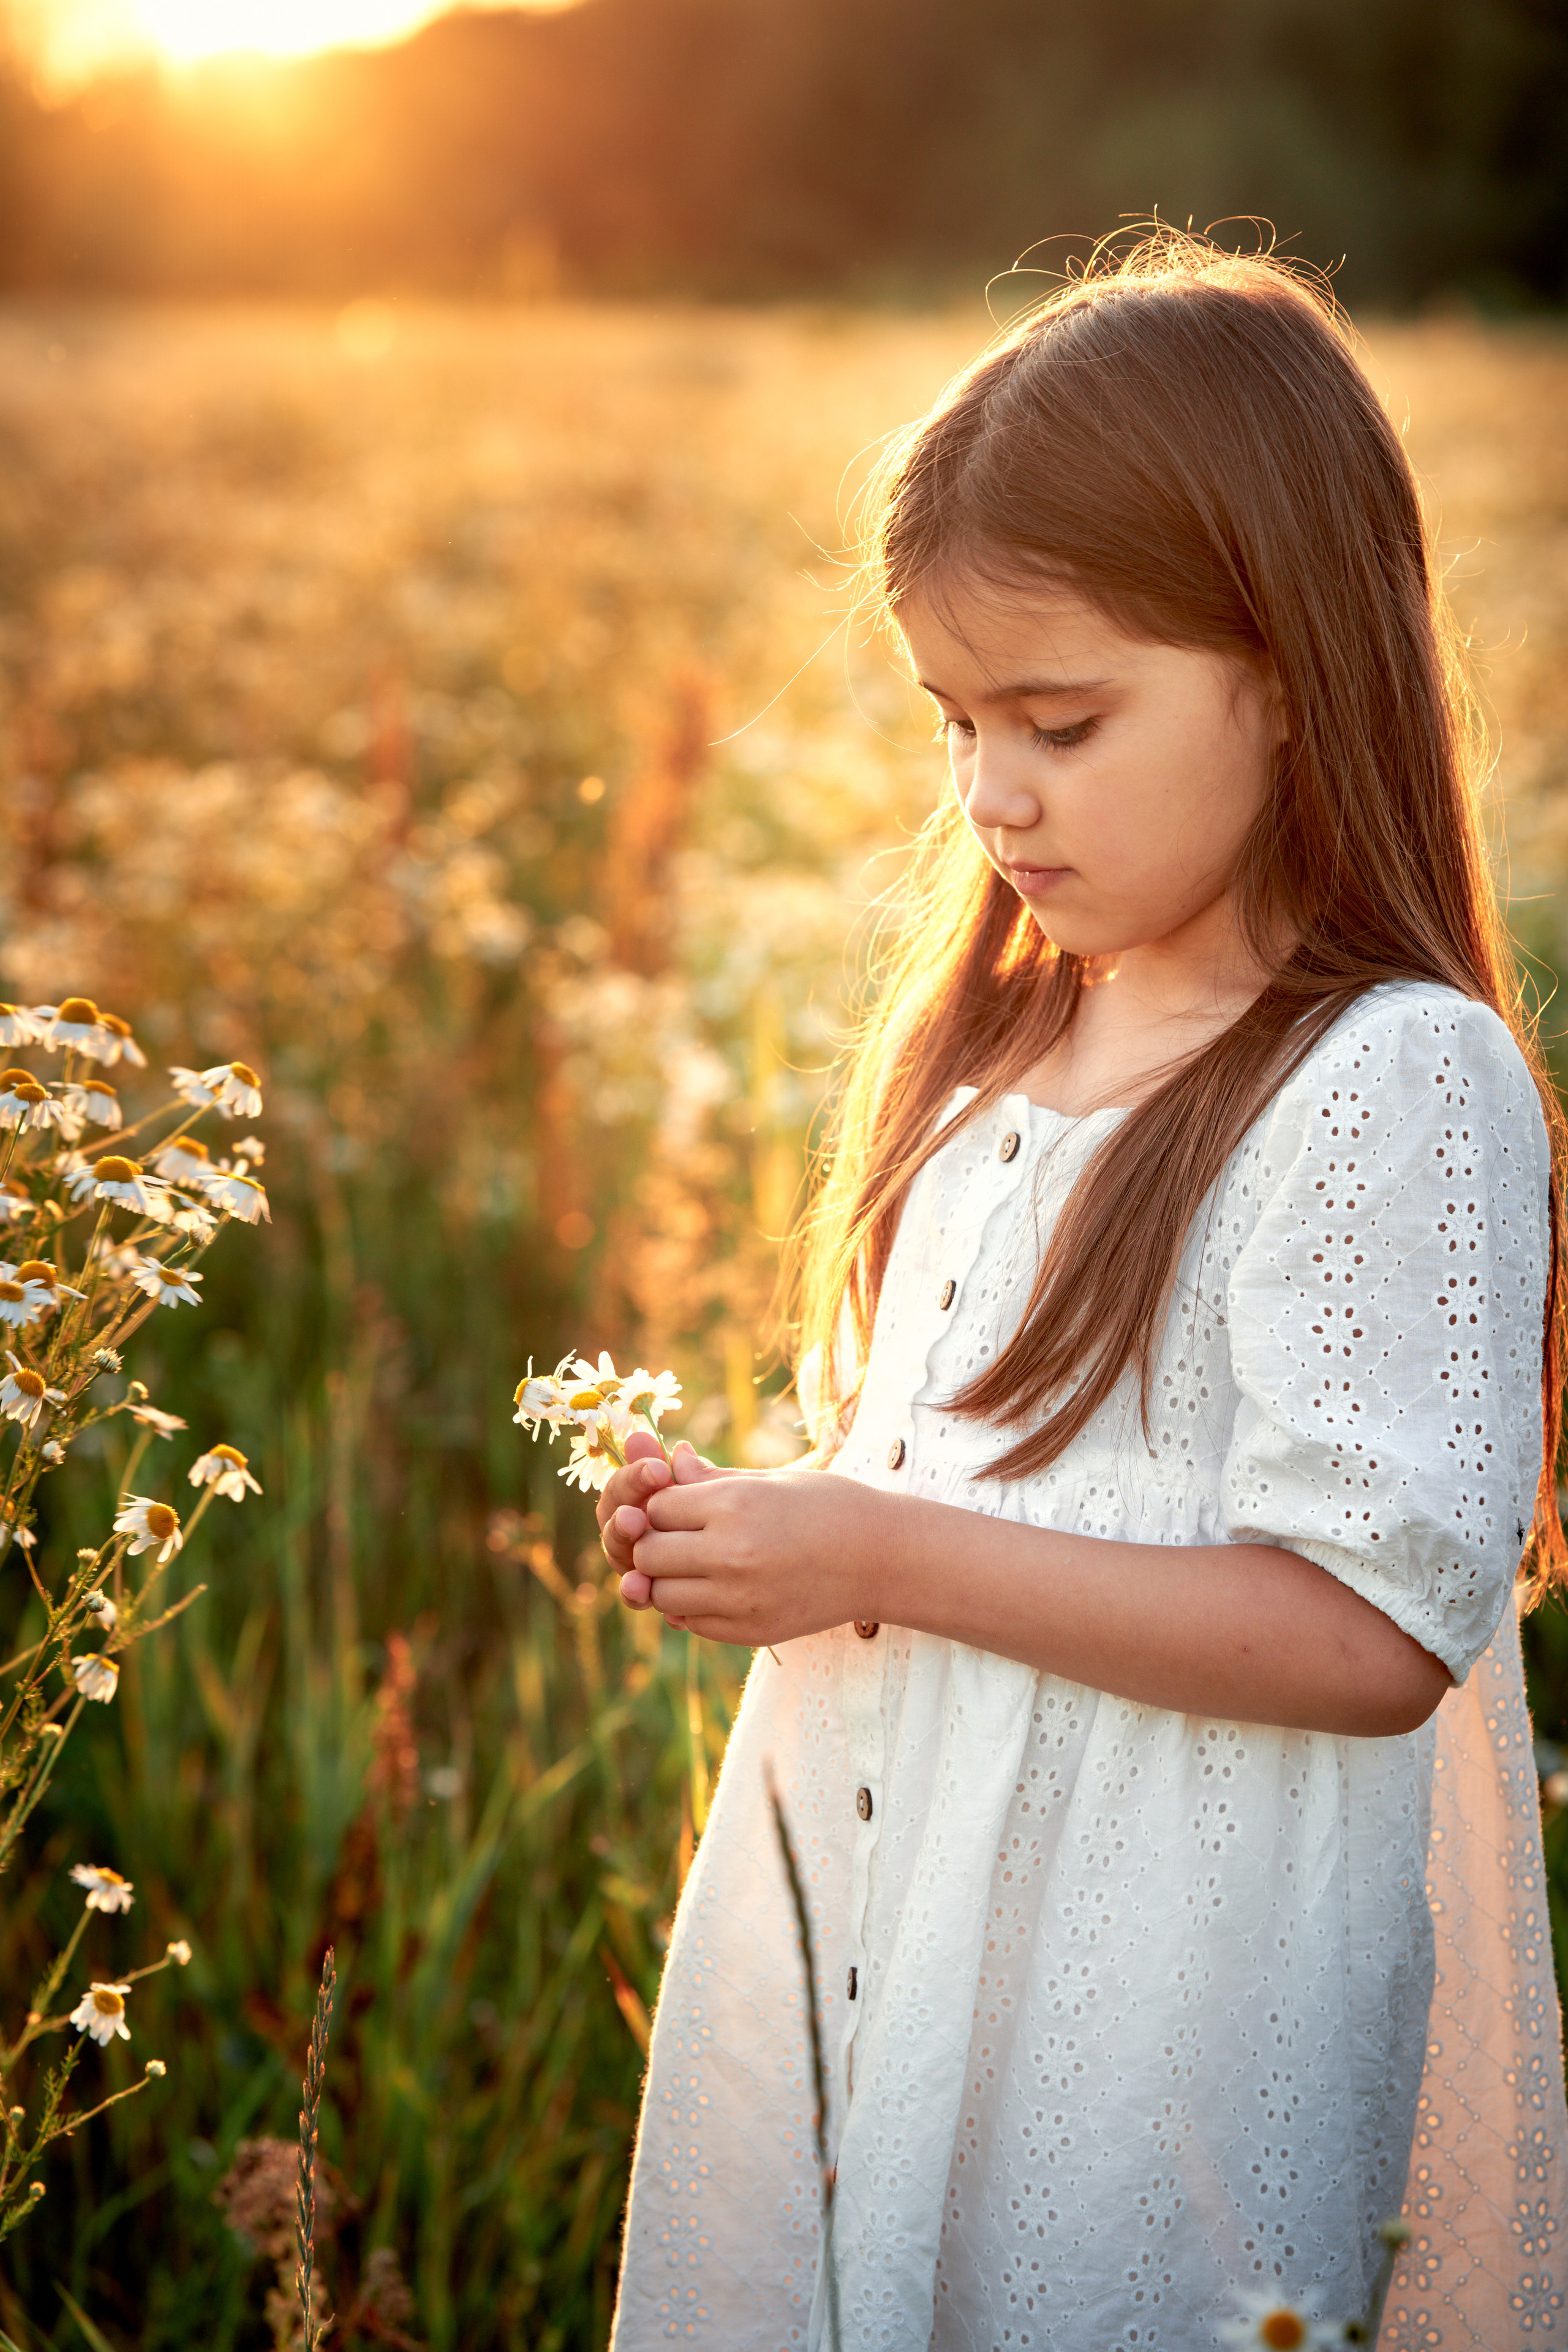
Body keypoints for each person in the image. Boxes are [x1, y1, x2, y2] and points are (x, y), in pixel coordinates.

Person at [598, 233, 1568, 2351]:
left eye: (1061, 721)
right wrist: (782, 1525)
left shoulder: (1388, 1079)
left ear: (1291, 670)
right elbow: (1003, 1479)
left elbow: (1373, 1634)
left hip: (1160, 2040)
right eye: (955, 723)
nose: (990, 794)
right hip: (917, 1963)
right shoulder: (1009, 1039)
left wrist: (882, 1552)